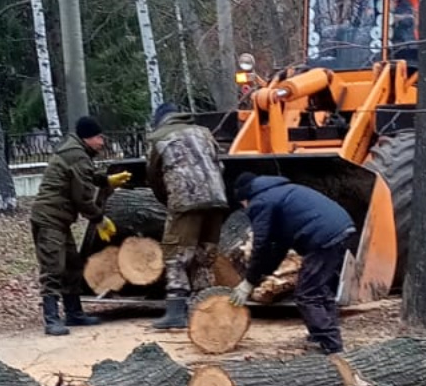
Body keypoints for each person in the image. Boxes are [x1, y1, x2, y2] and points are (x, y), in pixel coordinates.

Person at [229, 172, 356, 355]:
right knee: (320, 289)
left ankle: (330, 345)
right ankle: (322, 337)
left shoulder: (260, 202)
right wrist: (265, 272)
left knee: (307, 294)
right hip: (339, 228)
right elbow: (280, 244)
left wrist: (249, 281)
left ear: (244, 198)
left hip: (323, 237)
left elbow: (261, 244)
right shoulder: (280, 192)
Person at [29, 116, 129, 335]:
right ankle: (52, 319)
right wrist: (99, 219)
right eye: (99, 137)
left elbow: (86, 175)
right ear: (88, 138)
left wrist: (106, 180)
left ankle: (74, 313)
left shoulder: (76, 152)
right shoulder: (76, 155)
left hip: (59, 220)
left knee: (72, 265)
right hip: (49, 219)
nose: (102, 142)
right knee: (53, 268)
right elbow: (82, 198)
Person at [144, 102, 229, 330]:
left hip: (186, 201)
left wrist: (169, 200)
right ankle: (206, 308)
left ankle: (176, 311)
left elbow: (153, 175)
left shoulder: (158, 137)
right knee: (205, 253)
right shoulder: (204, 133)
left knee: (175, 254)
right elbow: (219, 166)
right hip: (217, 198)